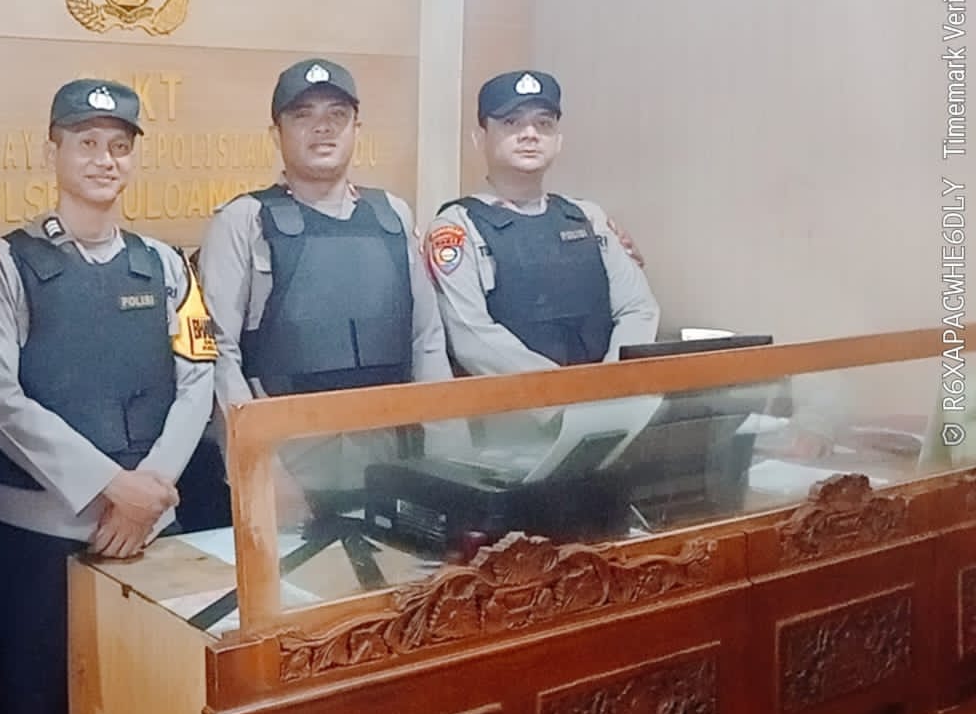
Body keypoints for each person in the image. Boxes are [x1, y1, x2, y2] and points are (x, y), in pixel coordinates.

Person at [0, 77, 215, 714]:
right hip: (37, 535)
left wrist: (152, 487)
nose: (104, 159)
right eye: (87, 142)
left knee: (145, 713)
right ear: (54, 151)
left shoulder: (167, 266)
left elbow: (198, 381)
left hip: (146, 538)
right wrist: (111, 486)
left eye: (119, 145)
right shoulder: (6, 263)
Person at [198, 58, 453, 510]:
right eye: (303, 115)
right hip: (291, 472)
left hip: (395, 465)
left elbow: (426, 341)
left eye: (338, 115)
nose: (323, 128)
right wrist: (259, 470)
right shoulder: (244, 221)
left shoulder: (392, 215)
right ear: (276, 133)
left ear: (357, 129)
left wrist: (448, 454)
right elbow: (219, 355)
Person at [427, 69, 659, 375]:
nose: (530, 134)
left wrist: (609, 384)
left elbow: (638, 309)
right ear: (480, 139)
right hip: (510, 403)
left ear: (558, 141)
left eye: (544, 123)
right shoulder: (458, 227)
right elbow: (472, 337)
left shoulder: (589, 218)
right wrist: (561, 393)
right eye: (511, 122)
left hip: (607, 398)